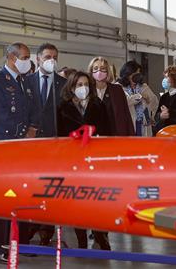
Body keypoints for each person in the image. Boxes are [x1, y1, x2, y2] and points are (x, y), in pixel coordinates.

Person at [0, 42, 36, 263]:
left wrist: (33, 129)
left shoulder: (24, 81)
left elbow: (32, 109)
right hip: (5, 145)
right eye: (24, 57)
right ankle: (2, 248)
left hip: (24, 147)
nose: (28, 62)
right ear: (12, 58)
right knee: (4, 198)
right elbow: (0, 115)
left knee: (23, 194)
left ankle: (21, 242)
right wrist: (24, 132)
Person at [57, 71, 111, 250]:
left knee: (98, 201)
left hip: (95, 159)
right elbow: (59, 135)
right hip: (73, 161)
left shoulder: (98, 105)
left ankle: (101, 235)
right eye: (79, 85)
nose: (83, 88)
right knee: (77, 202)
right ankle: (81, 239)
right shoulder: (63, 107)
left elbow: (108, 130)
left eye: (86, 84)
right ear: (72, 87)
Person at [23, 43, 66, 246]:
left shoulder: (63, 84)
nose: (52, 60)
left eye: (55, 57)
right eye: (48, 56)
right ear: (38, 58)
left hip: (54, 144)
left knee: (50, 188)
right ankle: (30, 226)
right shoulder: (25, 81)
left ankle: (46, 230)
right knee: (31, 187)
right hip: (30, 143)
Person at [88, 57, 134, 136]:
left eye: (103, 68)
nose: (99, 71)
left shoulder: (117, 90)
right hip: (93, 137)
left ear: (107, 71)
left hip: (115, 135)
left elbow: (126, 114)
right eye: (95, 68)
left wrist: (131, 136)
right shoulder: (88, 90)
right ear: (91, 71)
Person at [117, 60, 158, 136]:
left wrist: (150, 116)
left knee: (144, 146)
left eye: (138, 74)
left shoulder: (144, 87)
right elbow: (124, 101)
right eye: (134, 74)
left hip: (143, 124)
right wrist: (140, 96)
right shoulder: (118, 87)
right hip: (128, 124)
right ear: (127, 74)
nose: (136, 77)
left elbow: (154, 102)